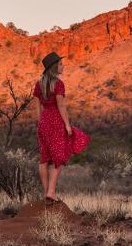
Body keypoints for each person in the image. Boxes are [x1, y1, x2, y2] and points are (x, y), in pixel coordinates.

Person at [32, 51, 90, 204]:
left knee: (44, 159)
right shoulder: (58, 84)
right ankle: (51, 192)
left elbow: (37, 109)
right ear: (54, 67)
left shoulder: (39, 85)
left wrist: (39, 125)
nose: (63, 66)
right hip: (56, 122)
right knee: (59, 156)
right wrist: (67, 125)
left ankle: (47, 193)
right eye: (60, 64)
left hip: (43, 123)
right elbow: (61, 106)